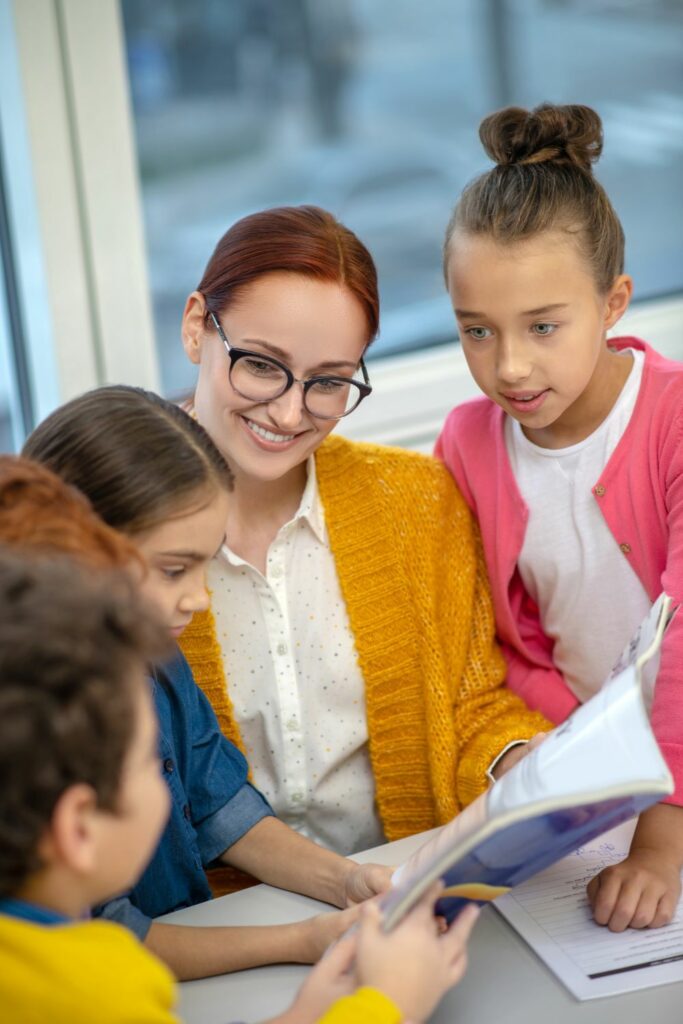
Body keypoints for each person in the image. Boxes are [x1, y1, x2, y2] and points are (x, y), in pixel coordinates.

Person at [173, 203, 550, 859]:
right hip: (209, 921)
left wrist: (518, 762)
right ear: (196, 327)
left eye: (328, 382)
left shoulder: (416, 501)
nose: (289, 412)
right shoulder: (110, 519)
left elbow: (468, 711)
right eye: (260, 365)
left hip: (398, 888)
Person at [0, 548, 480, 1024]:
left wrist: (305, 1011)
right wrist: (390, 1002)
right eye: (150, 766)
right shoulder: (102, 988)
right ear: (78, 828)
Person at [19, 391, 392, 980]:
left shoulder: (157, 657)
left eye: (205, 564)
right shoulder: (35, 719)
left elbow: (219, 802)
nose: (198, 597)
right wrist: (301, 940)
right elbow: (108, 935)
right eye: (174, 570)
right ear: (77, 551)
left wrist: (344, 879)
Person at [435, 102, 683, 932]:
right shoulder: (467, 445)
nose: (508, 366)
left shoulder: (673, 422)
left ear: (613, 302)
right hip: (594, 784)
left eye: (543, 327)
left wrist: (657, 841)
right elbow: (489, 641)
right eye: (476, 331)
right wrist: (572, 763)